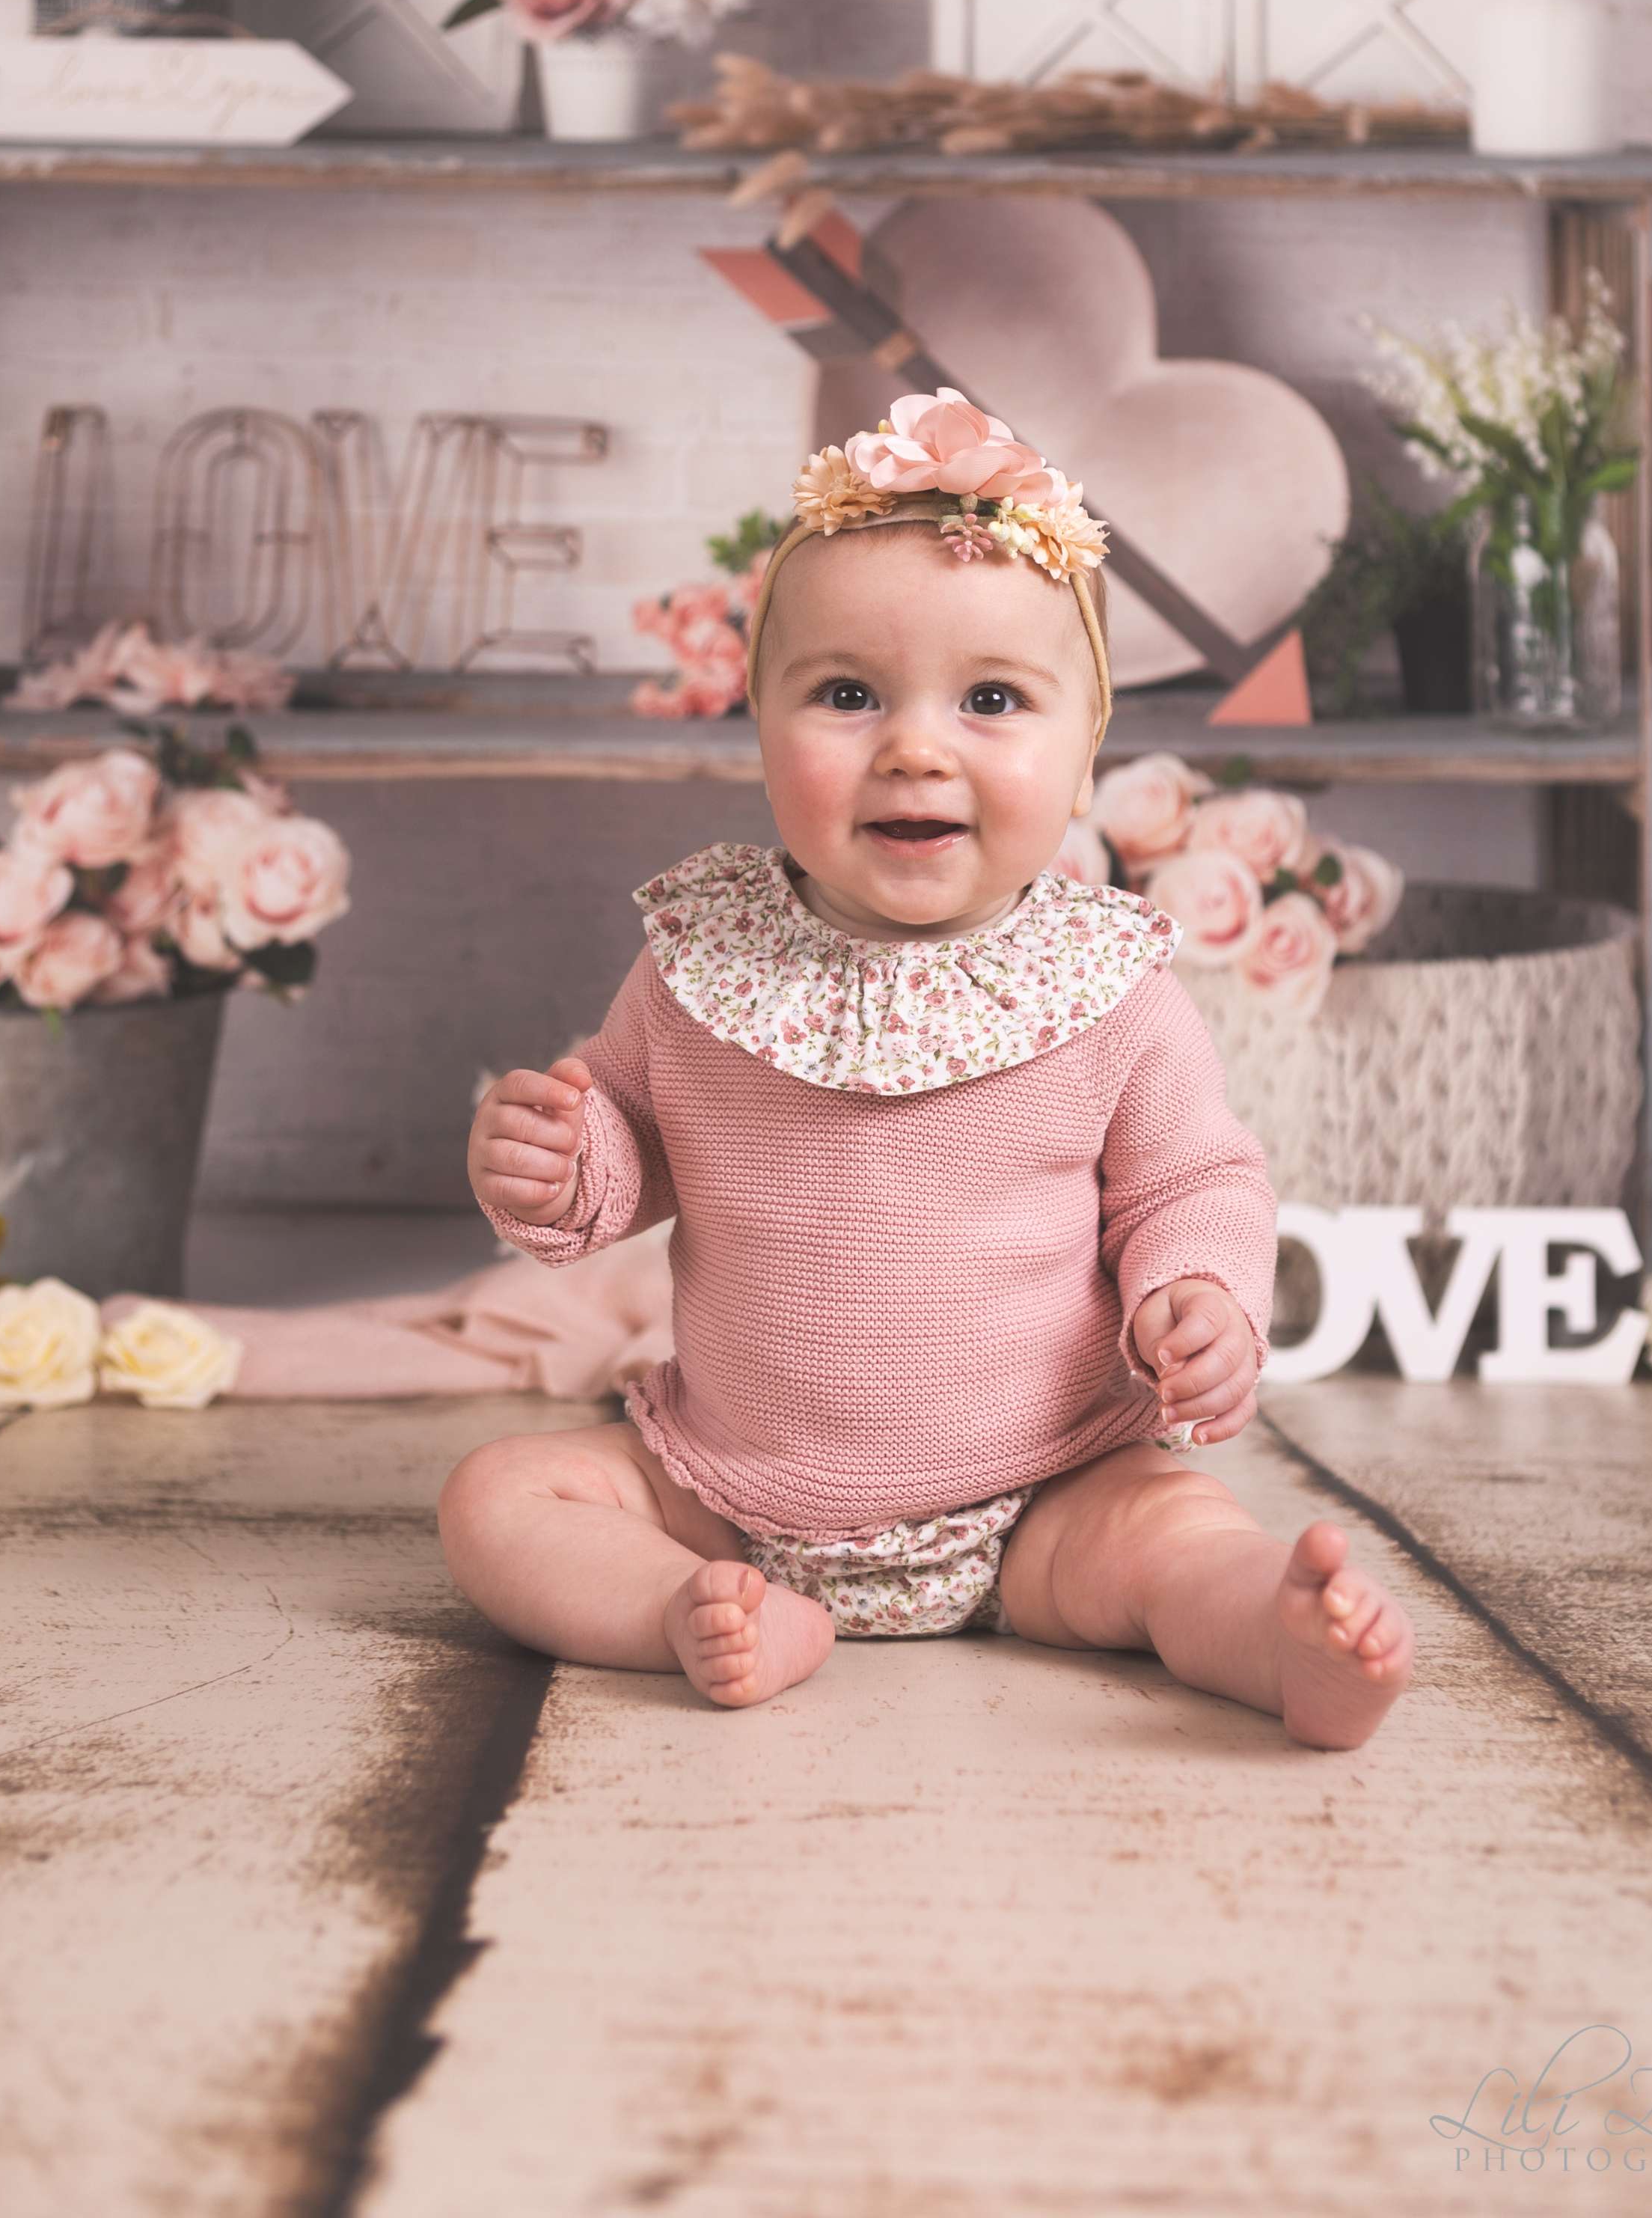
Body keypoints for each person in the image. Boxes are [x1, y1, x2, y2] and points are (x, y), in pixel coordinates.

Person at [438, 392, 1414, 1745]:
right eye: (846, 694)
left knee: (1175, 1538)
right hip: (725, 1488)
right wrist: (559, 1156)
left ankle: (1274, 1633)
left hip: (1046, 1493)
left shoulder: (1104, 987)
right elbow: (628, 1140)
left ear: (1084, 759)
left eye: (992, 700)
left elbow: (1194, 1177)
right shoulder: (698, 960)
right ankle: (690, 1607)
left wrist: (1200, 1296)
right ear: (756, 727)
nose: (912, 745)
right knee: (497, 1498)